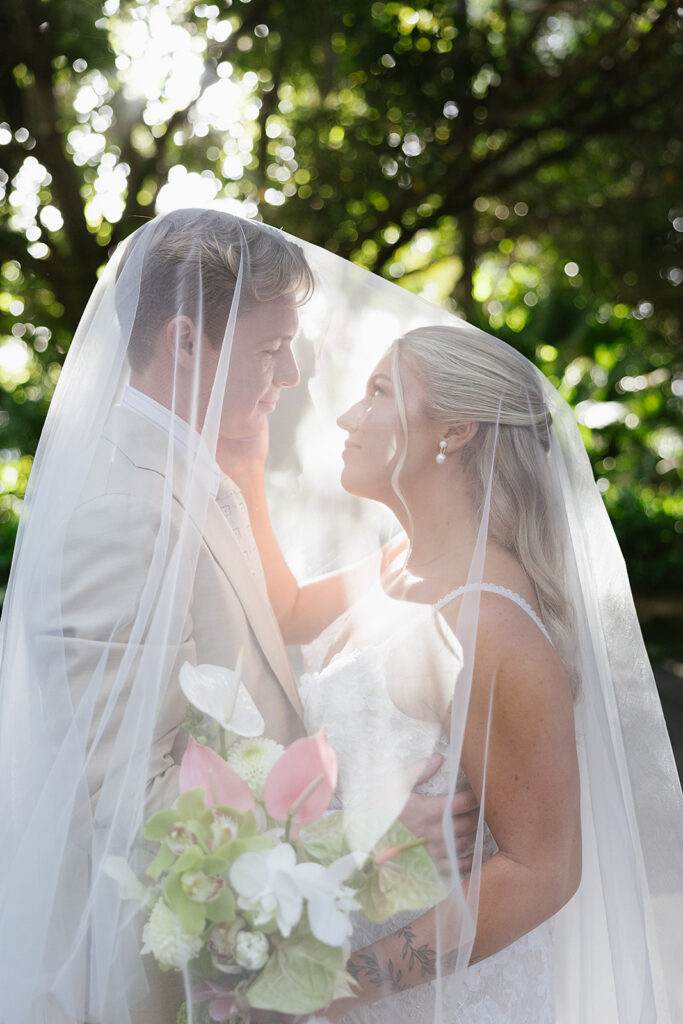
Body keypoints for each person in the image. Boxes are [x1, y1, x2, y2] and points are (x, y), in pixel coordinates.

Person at [0, 208, 477, 1024]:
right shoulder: (122, 512)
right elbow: (132, 799)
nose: (289, 374)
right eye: (268, 348)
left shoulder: (190, 464)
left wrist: (415, 559)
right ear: (185, 341)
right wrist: (366, 832)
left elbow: (268, 619)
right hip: (166, 978)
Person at [223, 321, 683, 1022]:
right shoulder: (403, 562)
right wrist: (244, 467)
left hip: (430, 999)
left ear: (455, 431)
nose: (348, 417)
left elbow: (543, 871)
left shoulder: (486, 623)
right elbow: (284, 611)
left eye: (378, 392)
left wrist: (332, 986)